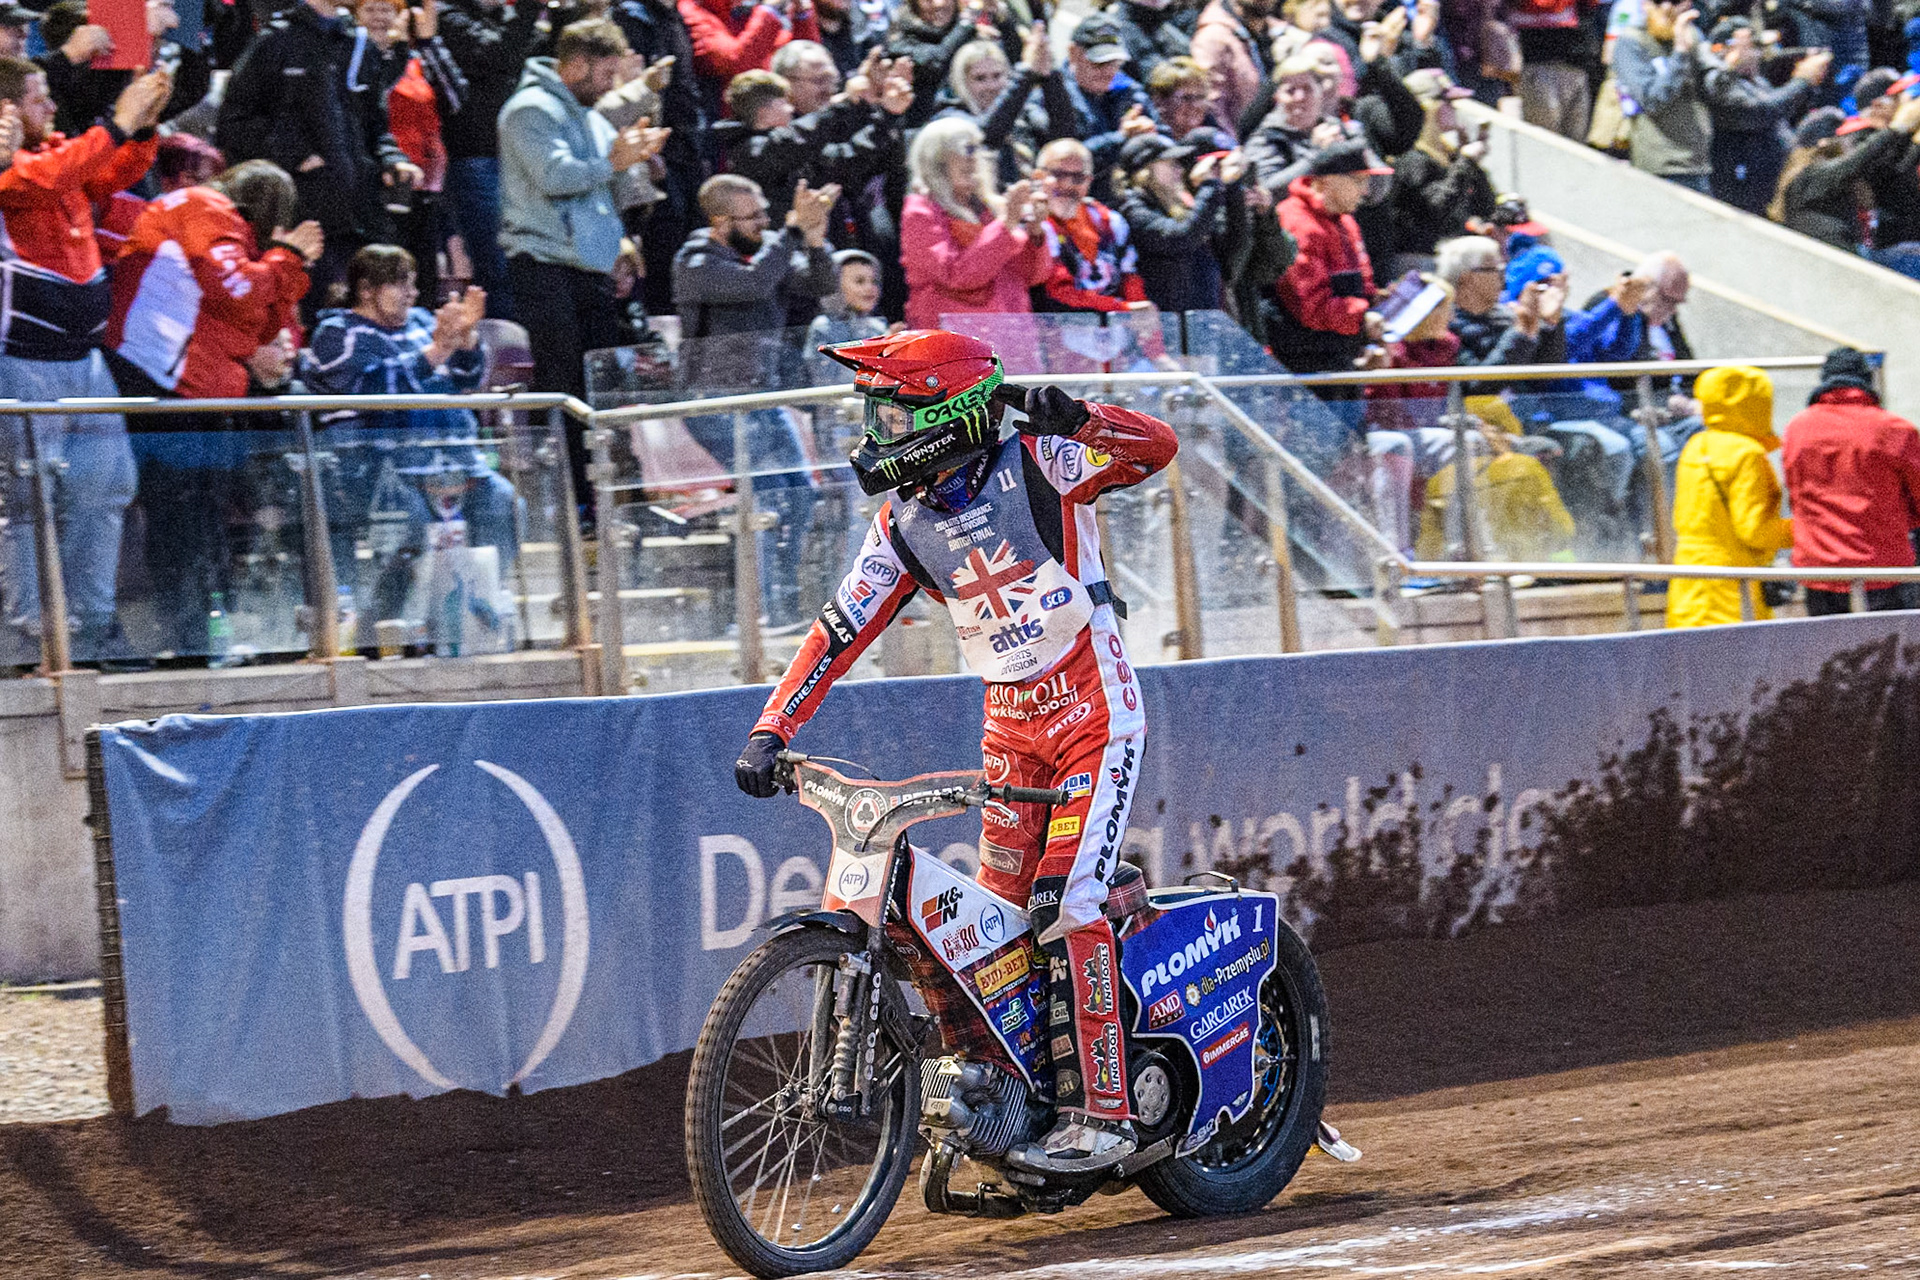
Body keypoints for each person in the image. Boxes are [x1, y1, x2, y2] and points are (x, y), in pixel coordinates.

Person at [733, 327, 1177, 1173]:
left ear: (947, 412)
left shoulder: (1044, 460)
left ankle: (1109, 1115)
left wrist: (1082, 417)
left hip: (1094, 711)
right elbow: (838, 629)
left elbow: (1157, 447)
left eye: (893, 415)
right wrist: (773, 727)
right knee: (1001, 926)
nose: (879, 434)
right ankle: (1011, 1106)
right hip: (1010, 728)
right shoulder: (903, 521)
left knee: (1069, 904)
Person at [106, 161, 319, 658]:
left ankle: (204, 641)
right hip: (159, 384)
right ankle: (189, 646)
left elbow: (250, 323)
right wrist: (287, 258)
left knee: (200, 519)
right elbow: (236, 290)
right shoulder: (206, 207)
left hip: (184, 384)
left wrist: (280, 279)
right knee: (180, 522)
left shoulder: (222, 227)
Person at [0, 57, 169, 666]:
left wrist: (143, 126)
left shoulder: (59, 155)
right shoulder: (14, 169)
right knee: (25, 502)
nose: (51, 107)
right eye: (40, 96)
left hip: (83, 359)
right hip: (23, 361)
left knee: (106, 487)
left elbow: (111, 170)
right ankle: (25, 637)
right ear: (8, 110)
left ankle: (91, 628)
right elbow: (44, 178)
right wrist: (117, 122)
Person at [305, 245, 518, 642]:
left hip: (455, 465)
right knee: (413, 526)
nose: (412, 294)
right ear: (367, 290)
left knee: (504, 502)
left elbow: (468, 380)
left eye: (414, 284)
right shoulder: (337, 332)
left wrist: (467, 341)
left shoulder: (421, 321)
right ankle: (378, 626)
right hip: (380, 469)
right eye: (401, 284)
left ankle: (469, 609)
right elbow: (370, 390)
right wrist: (438, 349)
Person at [498, 17, 669, 491]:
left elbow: (599, 190)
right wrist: (613, 161)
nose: (611, 85)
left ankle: (614, 493)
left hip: (589, 270)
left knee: (603, 387)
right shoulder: (528, 110)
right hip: (545, 268)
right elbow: (556, 177)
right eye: (606, 73)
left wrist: (622, 240)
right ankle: (578, 501)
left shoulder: (589, 116)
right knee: (566, 386)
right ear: (576, 64)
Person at [672, 173, 839, 625]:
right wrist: (791, 233)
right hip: (713, 402)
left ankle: (782, 596)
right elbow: (753, 285)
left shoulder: (765, 256)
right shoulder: (696, 260)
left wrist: (817, 241)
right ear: (721, 221)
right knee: (763, 493)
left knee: (801, 495)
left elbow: (822, 284)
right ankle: (757, 611)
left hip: (761, 398)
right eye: (755, 216)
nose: (765, 223)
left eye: (767, 213)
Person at [216, 0, 424, 307]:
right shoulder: (275, 41)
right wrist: (296, 155)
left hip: (362, 215)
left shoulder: (359, 44)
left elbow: (375, 126)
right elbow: (234, 123)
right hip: (303, 220)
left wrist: (392, 159)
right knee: (313, 317)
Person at [1781, 348, 1920, 615]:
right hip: (1883, 570)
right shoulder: (1893, 428)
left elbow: (1794, 492)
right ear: (1866, 380)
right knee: (1888, 654)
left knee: (1826, 654)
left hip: (1819, 571)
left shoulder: (1797, 428)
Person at [436, 0, 545, 317]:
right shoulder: (449, 16)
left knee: (527, 263)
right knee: (496, 267)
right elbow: (497, 54)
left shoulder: (507, 17)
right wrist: (530, 8)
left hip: (520, 160)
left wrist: (564, 12)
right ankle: (505, 353)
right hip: (475, 159)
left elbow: (543, 53)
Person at [899, 115, 1052, 331]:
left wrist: (1035, 230)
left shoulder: (990, 207)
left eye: (977, 148)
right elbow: (954, 275)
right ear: (937, 160)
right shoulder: (920, 211)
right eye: (967, 149)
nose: (974, 158)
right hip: (955, 343)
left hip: (1011, 336)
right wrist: (1006, 224)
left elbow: (1034, 276)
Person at [1666, 364, 1792, 627]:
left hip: (1689, 583)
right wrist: (1801, 531)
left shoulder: (1695, 445)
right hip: (1732, 591)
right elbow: (1754, 530)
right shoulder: (1747, 453)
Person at [1268, 139, 1391, 374]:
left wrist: (1380, 300)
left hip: (1341, 356)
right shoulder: (1296, 221)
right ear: (1327, 181)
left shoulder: (1346, 220)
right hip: (1305, 365)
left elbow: (1361, 286)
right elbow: (1311, 306)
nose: (1365, 191)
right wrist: (1363, 318)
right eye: (1359, 181)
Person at [1701, 18, 1828, 216]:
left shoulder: (1755, 80)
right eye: (1752, 47)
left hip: (1767, 179)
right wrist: (1802, 81)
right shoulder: (1717, 82)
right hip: (1739, 184)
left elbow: (1780, 111)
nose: (1759, 54)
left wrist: (1808, 83)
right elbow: (1759, 112)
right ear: (1728, 49)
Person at [1116, 132, 1251, 311]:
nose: (1180, 170)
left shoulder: (1179, 207)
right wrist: (1209, 186)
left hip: (1200, 323)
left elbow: (1231, 259)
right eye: (1172, 163)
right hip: (1166, 327)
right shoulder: (1132, 208)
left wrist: (1232, 187)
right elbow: (1180, 238)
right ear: (1144, 170)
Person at [1386, 68, 1495, 270]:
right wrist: (1465, 163)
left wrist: (1470, 163)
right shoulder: (1411, 158)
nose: (1454, 109)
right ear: (1427, 106)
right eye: (1449, 103)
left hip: (1443, 259)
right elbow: (1434, 211)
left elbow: (1486, 207)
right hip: (1416, 263)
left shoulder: (1449, 155)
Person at [1031, 137, 1151, 314]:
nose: (1067, 184)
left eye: (1078, 178)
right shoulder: (1032, 223)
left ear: (1089, 181)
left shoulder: (1110, 222)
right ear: (1038, 177)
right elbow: (1056, 293)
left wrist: (1141, 316)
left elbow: (1130, 278)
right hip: (1056, 333)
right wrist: (1122, 309)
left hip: (1113, 332)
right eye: (1058, 175)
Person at [1612, 0, 1714, 193]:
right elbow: (1652, 100)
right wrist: (1681, 51)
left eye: (1676, 1)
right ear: (1644, 4)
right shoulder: (1632, 41)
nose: (1667, 8)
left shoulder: (1693, 35)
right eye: (1658, 1)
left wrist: (1731, 68)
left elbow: (1715, 92)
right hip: (1661, 165)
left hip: (1699, 162)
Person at [1059, 12, 1160, 193]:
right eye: (1099, 63)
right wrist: (1121, 137)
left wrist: (1148, 132)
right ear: (1073, 53)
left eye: (1114, 63)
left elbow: (1163, 134)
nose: (1108, 72)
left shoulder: (1127, 89)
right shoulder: (1054, 95)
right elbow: (1064, 157)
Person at [679, 0, 820, 116]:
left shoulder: (743, 10)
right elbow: (735, 63)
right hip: (729, 131)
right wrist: (769, 10)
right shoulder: (691, 10)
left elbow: (802, 59)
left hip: (772, 117)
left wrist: (801, 15)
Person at [1192, 0, 1278, 138]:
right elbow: (1212, 109)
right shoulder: (1213, 37)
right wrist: (1236, 147)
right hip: (1239, 147)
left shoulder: (1282, 35)